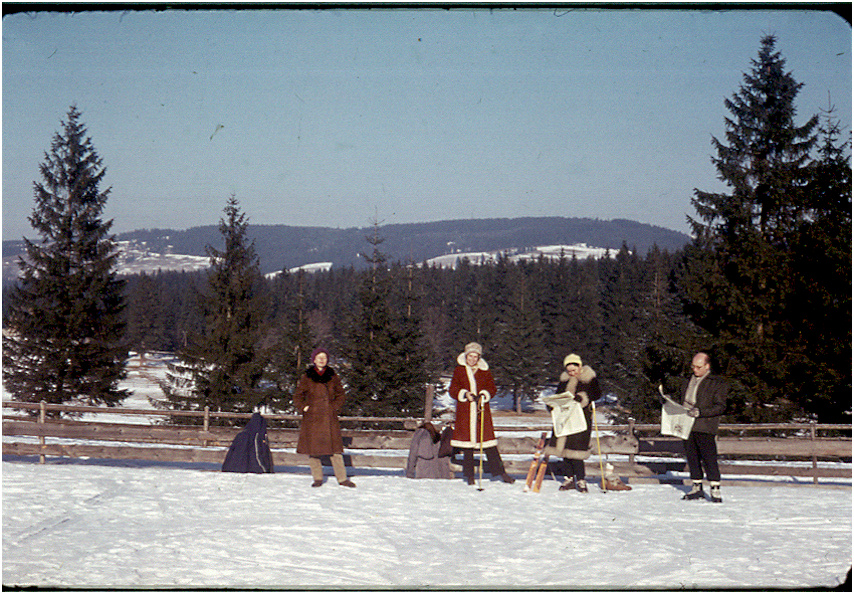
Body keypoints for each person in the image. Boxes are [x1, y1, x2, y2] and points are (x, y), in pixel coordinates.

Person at [665, 352, 728, 503]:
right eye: (693, 366)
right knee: (692, 457)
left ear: (707, 366)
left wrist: (701, 412)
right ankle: (696, 486)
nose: (695, 370)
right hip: (687, 424)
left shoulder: (716, 383)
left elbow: (720, 406)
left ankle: (715, 488)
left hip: (704, 425)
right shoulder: (687, 380)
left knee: (708, 457)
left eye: (699, 367)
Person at [449, 342, 515, 485]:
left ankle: (501, 473)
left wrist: (484, 395)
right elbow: (453, 389)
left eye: (475, 357)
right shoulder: (459, 370)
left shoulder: (485, 371)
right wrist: (465, 394)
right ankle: (470, 476)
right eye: (470, 357)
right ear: (466, 356)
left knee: (489, 445)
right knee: (467, 446)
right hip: (465, 412)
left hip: (482, 412)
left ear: (479, 358)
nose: (472, 359)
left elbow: (492, 388)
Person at [293, 347, 356, 488]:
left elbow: (341, 394)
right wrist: (304, 407)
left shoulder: (333, 375)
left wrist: (334, 407)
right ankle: (317, 478)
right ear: (314, 360)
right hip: (312, 418)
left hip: (329, 418)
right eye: (319, 357)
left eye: (324, 357)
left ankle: (342, 479)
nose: (322, 359)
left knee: (336, 451)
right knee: (314, 451)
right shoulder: (307, 376)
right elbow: (297, 396)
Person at [544, 353, 601, 493]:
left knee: (577, 451)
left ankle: (581, 479)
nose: (572, 373)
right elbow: (558, 395)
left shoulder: (589, 378)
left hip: (581, 419)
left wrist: (582, 398)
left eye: (574, 370)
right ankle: (569, 478)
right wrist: (552, 405)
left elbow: (597, 393)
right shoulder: (564, 381)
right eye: (569, 371)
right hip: (564, 418)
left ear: (580, 367)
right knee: (565, 450)